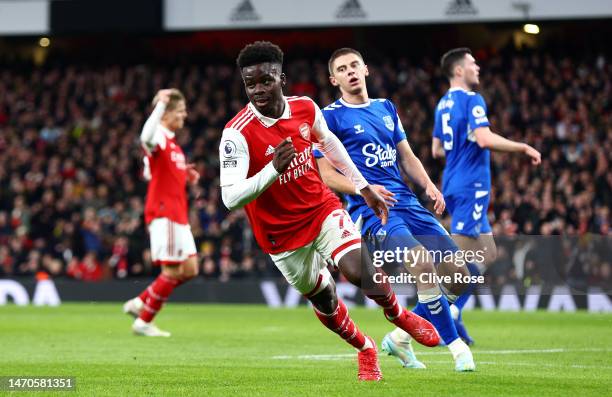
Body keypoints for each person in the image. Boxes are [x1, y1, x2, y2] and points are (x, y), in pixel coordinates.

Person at [219, 41, 438, 381]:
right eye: (251, 83)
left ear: (281, 78)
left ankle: (397, 315)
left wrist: (363, 186)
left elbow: (329, 144)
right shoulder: (236, 133)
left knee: (357, 268)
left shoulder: (305, 108)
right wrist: (272, 170)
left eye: (266, 80)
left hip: (320, 208)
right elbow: (230, 198)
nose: (258, 90)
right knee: (325, 300)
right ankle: (365, 347)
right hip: (281, 235)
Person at [315, 48, 475, 371]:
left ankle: (400, 339)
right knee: (421, 263)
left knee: (460, 276)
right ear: (334, 79)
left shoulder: (386, 108)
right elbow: (326, 174)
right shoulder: (330, 117)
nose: (350, 72)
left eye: (354, 65)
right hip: (373, 210)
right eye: (342, 69)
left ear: (366, 69)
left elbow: (407, 156)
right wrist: (365, 189)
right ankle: (457, 348)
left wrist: (429, 185)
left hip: (408, 202)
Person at [431, 48, 541, 343]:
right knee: (459, 260)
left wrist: (460, 151)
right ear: (458, 71)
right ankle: (422, 318)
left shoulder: (442, 104)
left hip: (453, 182)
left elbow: (437, 149)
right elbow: (483, 138)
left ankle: (454, 311)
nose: (477, 67)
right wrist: (522, 147)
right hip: (471, 186)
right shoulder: (471, 99)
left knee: (488, 252)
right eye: (472, 64)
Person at [122, 89, 201, 337]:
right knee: (172, 271)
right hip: (164, 213)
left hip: (179, 215)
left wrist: (186, 174)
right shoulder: (158, 135)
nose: (185, 115)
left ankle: (140, 302)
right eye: (180, 111)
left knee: (190, 269)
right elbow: (145, 138)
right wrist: (160, 105)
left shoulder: (174, 144)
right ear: (166, 113)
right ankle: (143, 321)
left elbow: (153, 172)